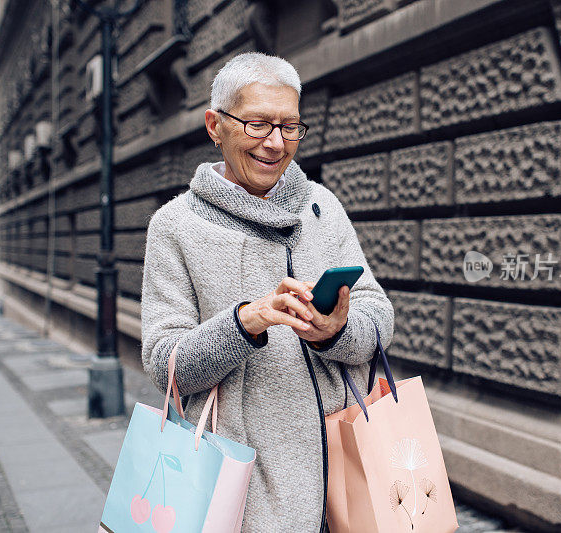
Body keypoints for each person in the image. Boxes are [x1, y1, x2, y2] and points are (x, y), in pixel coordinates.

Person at [141, 51, 394, 532]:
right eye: (257, 125)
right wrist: (244, 323)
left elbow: (380, 318)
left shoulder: (324, 206)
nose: (275, 143)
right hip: (244, 492)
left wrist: (335, 331)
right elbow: (165, 365)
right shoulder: (175, 226)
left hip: (348, 480)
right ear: (215, 125)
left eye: (290, 126)